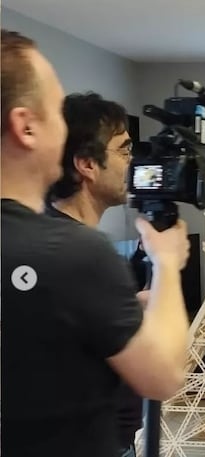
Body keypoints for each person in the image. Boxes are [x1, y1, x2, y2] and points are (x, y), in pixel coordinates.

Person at [1, 29, 191, 457]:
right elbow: (164, 376)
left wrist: (121, 306)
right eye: (55, 109)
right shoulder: (76, 253)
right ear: (26, 127)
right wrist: (166, 262)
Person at [44, 91, 146, 457]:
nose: (132, 163)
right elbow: (162, 374)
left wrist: (128, 304)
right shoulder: (86, 252)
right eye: (124, 150)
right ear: (87, 164)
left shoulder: (52, 237)